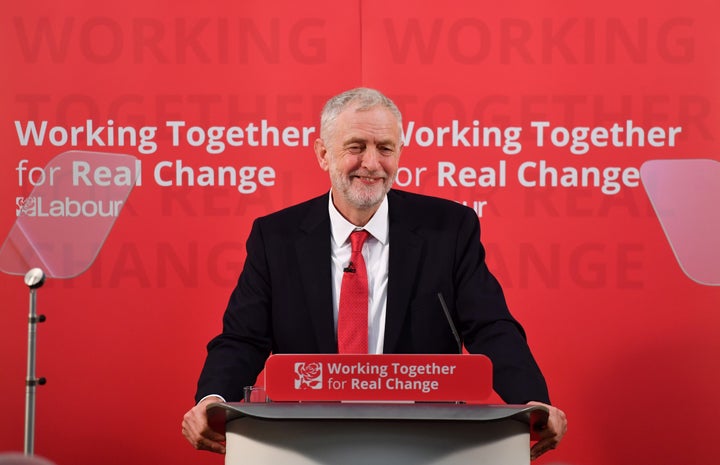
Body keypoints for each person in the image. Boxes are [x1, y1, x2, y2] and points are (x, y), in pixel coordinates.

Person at [182, 88, 567, 460]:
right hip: (304, 441)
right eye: (356, 147)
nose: (371, 163)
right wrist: (212, 400)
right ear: (322, 154)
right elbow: (243, 338)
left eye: (385, 148)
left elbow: (490, 327)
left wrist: (531, 401)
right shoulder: (276, 236)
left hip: (425, 441)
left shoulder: (449, 229)